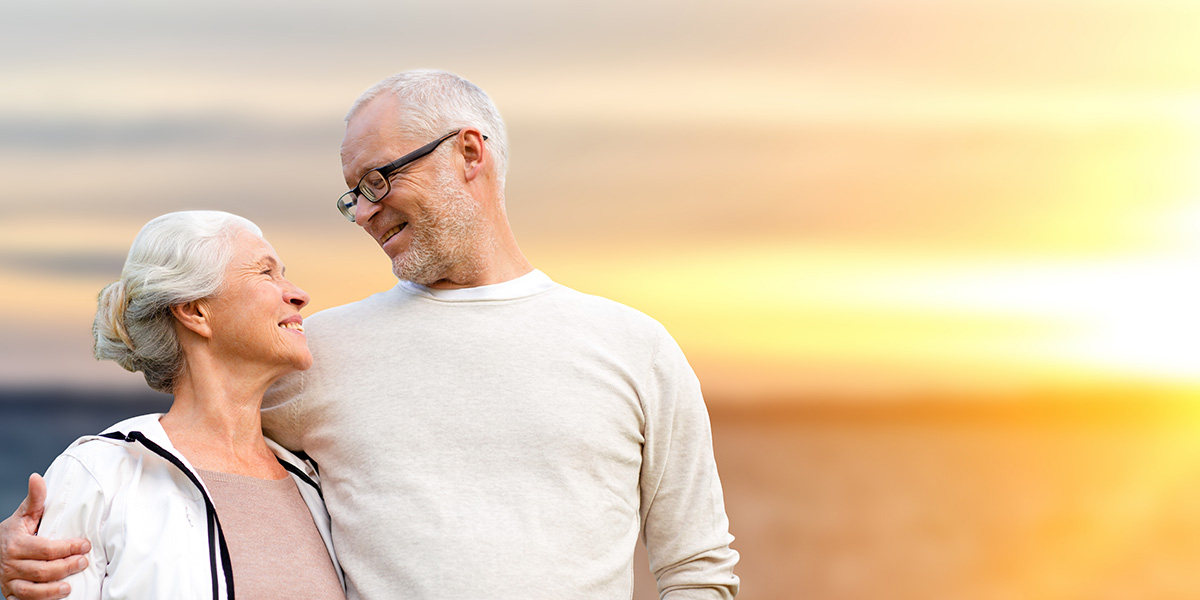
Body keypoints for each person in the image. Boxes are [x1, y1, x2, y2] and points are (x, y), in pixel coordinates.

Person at [1, 70, 738, 599]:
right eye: (352, 193)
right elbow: (187, 443)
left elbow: (698, 571)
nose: (362, 211)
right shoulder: (315, 354)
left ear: (470, 155)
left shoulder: (635, 347)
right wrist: (19, 557)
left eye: (378, 181)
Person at [2, 211, 345, 600]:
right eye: (267, 274)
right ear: (195, 312)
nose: (299, 294)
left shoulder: (315, 485)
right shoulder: (100, 476)